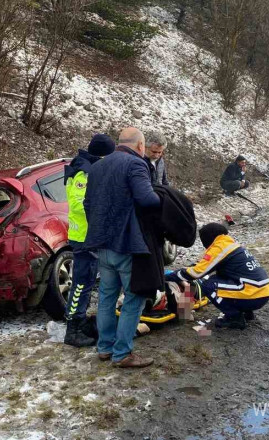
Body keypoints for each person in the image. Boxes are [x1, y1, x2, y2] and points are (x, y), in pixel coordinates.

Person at [84, 126, 161, 368]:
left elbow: (88, 204)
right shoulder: (135, 164)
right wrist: (164, 197)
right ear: (140, 146)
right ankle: (122, 353)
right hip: (127, 244)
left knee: (107, 297)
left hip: (102, 244)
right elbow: (147, 199)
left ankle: (105, 348)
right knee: (134, 297)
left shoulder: (96, 166)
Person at [165, 223, 269, 330]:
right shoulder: (231, 245)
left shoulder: (219, 248)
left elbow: (196, 273)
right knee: (220, 278)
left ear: (208, 238)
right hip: (262, 292)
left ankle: (235, 318)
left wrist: (169, 276)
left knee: (209, 285)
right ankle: (246, 312)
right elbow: (204, 265)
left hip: (253, 294)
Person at [62, 134, 115, 347]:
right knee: (81, 284)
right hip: (84, 236)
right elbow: (78, 204)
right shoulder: (83, 172)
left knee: (87, 282)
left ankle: (81, 322)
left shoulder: (88, 168)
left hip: (89, 236)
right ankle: (73, 329)